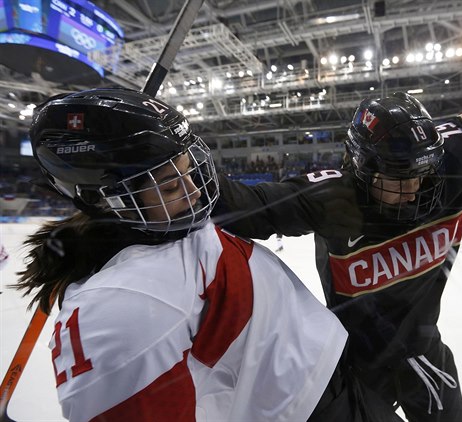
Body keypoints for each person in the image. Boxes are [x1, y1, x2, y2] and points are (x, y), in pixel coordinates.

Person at [213, 16, 462, 422]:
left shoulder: (458, 154)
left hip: (425, 352)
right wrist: (179, 173)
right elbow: (242, 205)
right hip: (354, 366)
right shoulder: (330, 197)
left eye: (420, 173)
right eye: (398, 177)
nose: (413, 188)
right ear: (363, 169)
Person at [12, 88, 396, 422]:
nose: (196, 191)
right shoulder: (119, 309)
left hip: (331, 386)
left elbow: (239, 205)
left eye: (188, 170)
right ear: (104, 198)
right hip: (308, 410)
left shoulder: (158, 221)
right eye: (170, 182)